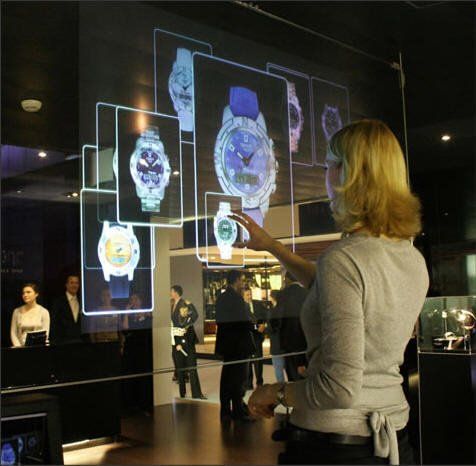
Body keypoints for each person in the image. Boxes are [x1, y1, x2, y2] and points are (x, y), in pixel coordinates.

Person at [232, 119, 429, 465]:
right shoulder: (410, 258)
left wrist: (274, 391)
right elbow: (328, 283)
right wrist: (272, 247)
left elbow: (338, 389)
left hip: (336, 446)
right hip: (393, 439)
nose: (325, 173)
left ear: (347, 174)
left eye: (328, 164)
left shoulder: (345, 259)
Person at [215, 270, 256, 421]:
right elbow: (242, 322)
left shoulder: (221, 298)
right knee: (238, 378)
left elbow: (220, 321)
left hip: (228, 345)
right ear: (236, 280)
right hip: (238, 345)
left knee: (227, 378)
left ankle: (226, 411)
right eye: (242, 280)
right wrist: (253, 326)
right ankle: (237, 410)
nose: (243, 283)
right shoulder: (236, 299)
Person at [170, 285, 206, 400]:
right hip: (175, 339)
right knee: (179, 366)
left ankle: (196, 393)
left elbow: (194, 315)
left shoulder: (185, 303)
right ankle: (182, 393)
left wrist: (186, 326)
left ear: (176, 293)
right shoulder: (172, 304)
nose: (170, 293)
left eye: (171, 291)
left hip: (186, 338)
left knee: (191, 366)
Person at [278, 271, 308, 381]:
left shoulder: (282, 294)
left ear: (287, 279)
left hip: (288, 341)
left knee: (291, 374)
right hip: (305, 339)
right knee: (305, 376)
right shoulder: (306, 293)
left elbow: (278, 318)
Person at [243, 286, 267, 389]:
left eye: (250, 294)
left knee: (258, 361)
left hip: (257, 337)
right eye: (247, 295)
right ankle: (248, 384)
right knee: (247, 362)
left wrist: (264, 325)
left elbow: (266, 315)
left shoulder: (258, 304)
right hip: (246, 338)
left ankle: (259, 383)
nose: (249, 296)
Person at [50, 274, 84, 344]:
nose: (74, 285)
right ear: (66, 285)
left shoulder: (82, 301)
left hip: (80, 342)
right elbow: (54, 324)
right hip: (63, 343)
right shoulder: (58, 302)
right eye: (72, 283)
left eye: (76, 283)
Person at [267, 289, 286, 384]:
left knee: (279, 371)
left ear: (272, 298)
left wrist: (265, 329)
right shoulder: (285, 310)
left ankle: (282, 391)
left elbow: (271, 328)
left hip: (276, 345)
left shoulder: (272, 312)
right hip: (286, 344)